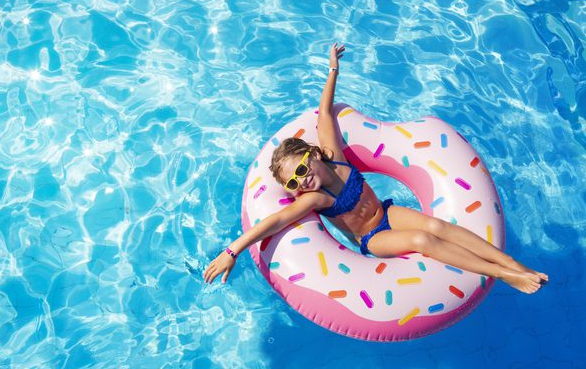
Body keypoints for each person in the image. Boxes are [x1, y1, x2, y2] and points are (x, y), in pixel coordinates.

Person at [203, 43, 549, 294]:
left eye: (301, 168)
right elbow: (274, 221)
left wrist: (333, 68)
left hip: (388, 212)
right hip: (373, 237)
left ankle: (513, 265)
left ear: (315, 156)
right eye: (293, 181)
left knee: (434, 223)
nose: (301, 180)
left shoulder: (334, 154)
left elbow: (324, 114)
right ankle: (500, 274)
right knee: (421, 238)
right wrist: (231, 251)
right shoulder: (317, 200)